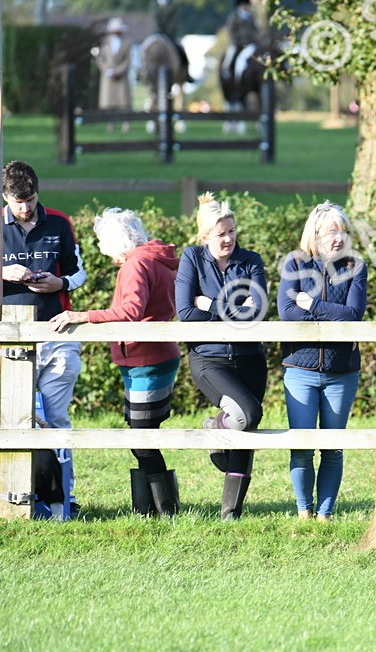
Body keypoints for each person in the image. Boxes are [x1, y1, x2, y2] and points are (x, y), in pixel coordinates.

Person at [48, 209, 182, 517]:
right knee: (144, 434)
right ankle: (149, 509)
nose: (100, 248)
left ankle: (165, 511)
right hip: (154, 356)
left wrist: (84, 315)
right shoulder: (154, 259)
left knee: (141, 438)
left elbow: (131, 310)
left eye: (101, 241)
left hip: (145, 359)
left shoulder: (137, 263)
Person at [2, 161, 87, 519]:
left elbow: (79, 271)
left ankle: (62, 503)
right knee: (13, 419)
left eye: (30, 199)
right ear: (6, 196)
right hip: (8, 340)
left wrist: (61, 283)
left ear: (38, 191)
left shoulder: (59, 222)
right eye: (17, 202)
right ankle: (16, 499)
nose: (25, 207)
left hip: (56, 335)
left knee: (55, 419)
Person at [176, 192, 268, 520]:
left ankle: (231, 514)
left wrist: (211, 305)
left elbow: (256, 312)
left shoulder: (251, 260)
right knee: (246, 413)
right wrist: (233, 310)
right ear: (205, 237)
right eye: (221, 234)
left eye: (231, 231)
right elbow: (186, 312)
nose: (228, 238)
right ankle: (217, 427)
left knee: (249, 426)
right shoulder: (192, 258)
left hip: (250, 358)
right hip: (208, 358)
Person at [277, 203, 367, 522]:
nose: (338, 238)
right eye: (331, 232)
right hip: (300, 369)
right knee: (301, 445)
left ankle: (325, 514)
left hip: (341, 371)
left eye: (343, 231)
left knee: (333, 447)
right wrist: (328, 312)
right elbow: (287, 312)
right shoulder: (295, 263)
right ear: (314, 235)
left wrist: (310, 303)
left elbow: (354, 315)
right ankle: (304, 511)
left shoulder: (356, 266)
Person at [94, 18, 131, 130]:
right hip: (108, 76)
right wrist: (107, 71)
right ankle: (111, 123)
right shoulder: (105, 42)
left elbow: (128, 60)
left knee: (124, 102)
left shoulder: (127, 42)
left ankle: (126, 124)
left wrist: (118, 71)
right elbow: (100, 59)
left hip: (121, 76)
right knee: (109, 103)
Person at [222, 0, 260, 93]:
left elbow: (256, 30)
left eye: (246, 4)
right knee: (231, 54)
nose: (245, 6)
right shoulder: (234, 17)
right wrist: (236, 42)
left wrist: (255, 40)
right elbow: (231, 31)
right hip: (237, 43)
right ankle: (227, 71)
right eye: (243, 4)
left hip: (250, 44)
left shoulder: (251, 17)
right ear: (239, 5)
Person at [152, 0, 192, 82]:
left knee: (181, 49)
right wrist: (159, 32)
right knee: (146, 49)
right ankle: (140, 72)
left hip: (170, 34)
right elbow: (154, 19)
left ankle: (186, 73)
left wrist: (168, 33)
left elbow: (174, 21)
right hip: (157, 34)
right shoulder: (153, 3)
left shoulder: (174, 4)